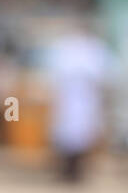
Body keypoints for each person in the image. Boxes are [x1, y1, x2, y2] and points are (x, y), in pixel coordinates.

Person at [45, 19, 115, 183]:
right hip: (66, 97)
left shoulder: (94, 47)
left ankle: (80, 171)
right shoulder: (64, 46)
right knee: (65, 133)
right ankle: (65, 170)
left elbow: (105, 74)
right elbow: (54, 73)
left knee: (84, 133)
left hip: (86, 97)